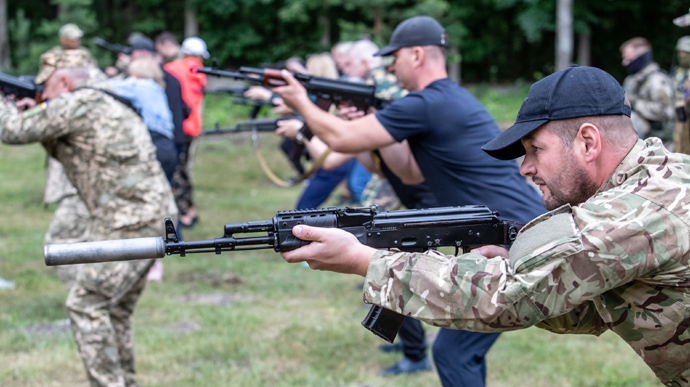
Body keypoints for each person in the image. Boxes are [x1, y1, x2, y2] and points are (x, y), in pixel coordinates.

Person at [280, 65, 690, 387]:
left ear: (588, 142)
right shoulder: (661, 178)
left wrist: (364, 261)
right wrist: (519, 268)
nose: (526, 169)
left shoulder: (632, 212)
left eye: (535, 150)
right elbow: (594, 309)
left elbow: (505, 299)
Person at [274, 16, 545, 386]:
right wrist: (372, 128)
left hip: (512, 237)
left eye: (395, 57)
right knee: (460, 349)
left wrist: (301, 104)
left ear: (417, 55)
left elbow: (339, 139)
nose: (391, 66)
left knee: (454, 352)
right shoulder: (443, 99)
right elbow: (407, 172)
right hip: (506, 232)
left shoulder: (427, 102)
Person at [0, 66, 177, 386]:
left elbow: (11, 130)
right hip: (153, 217)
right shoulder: (105, 99)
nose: (42, 93)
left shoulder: (76, 102)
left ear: (64, 82)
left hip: (129, 222)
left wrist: (4, 102)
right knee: (115, 310)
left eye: (45, 87)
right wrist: (31, 110)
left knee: (86, 304)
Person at [165, 36, 209, 228]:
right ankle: (189, 211)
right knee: (183, 170)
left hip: (177, 126)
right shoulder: (200, 72)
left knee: (177, 172)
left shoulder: (173, 68)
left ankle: (185, 214)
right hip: (193, 127)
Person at [620, 37, 675, 146]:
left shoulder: (657, 80)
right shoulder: (631, 80)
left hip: (658, 142)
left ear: (641, 58)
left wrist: (635, 103)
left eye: (629, 60)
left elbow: (665, 112)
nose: (624, 63)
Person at [672, 36, 690, 154]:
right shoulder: (676, 72)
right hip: (676, 115)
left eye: (685, 53)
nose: (682, 56)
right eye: (680, 53)